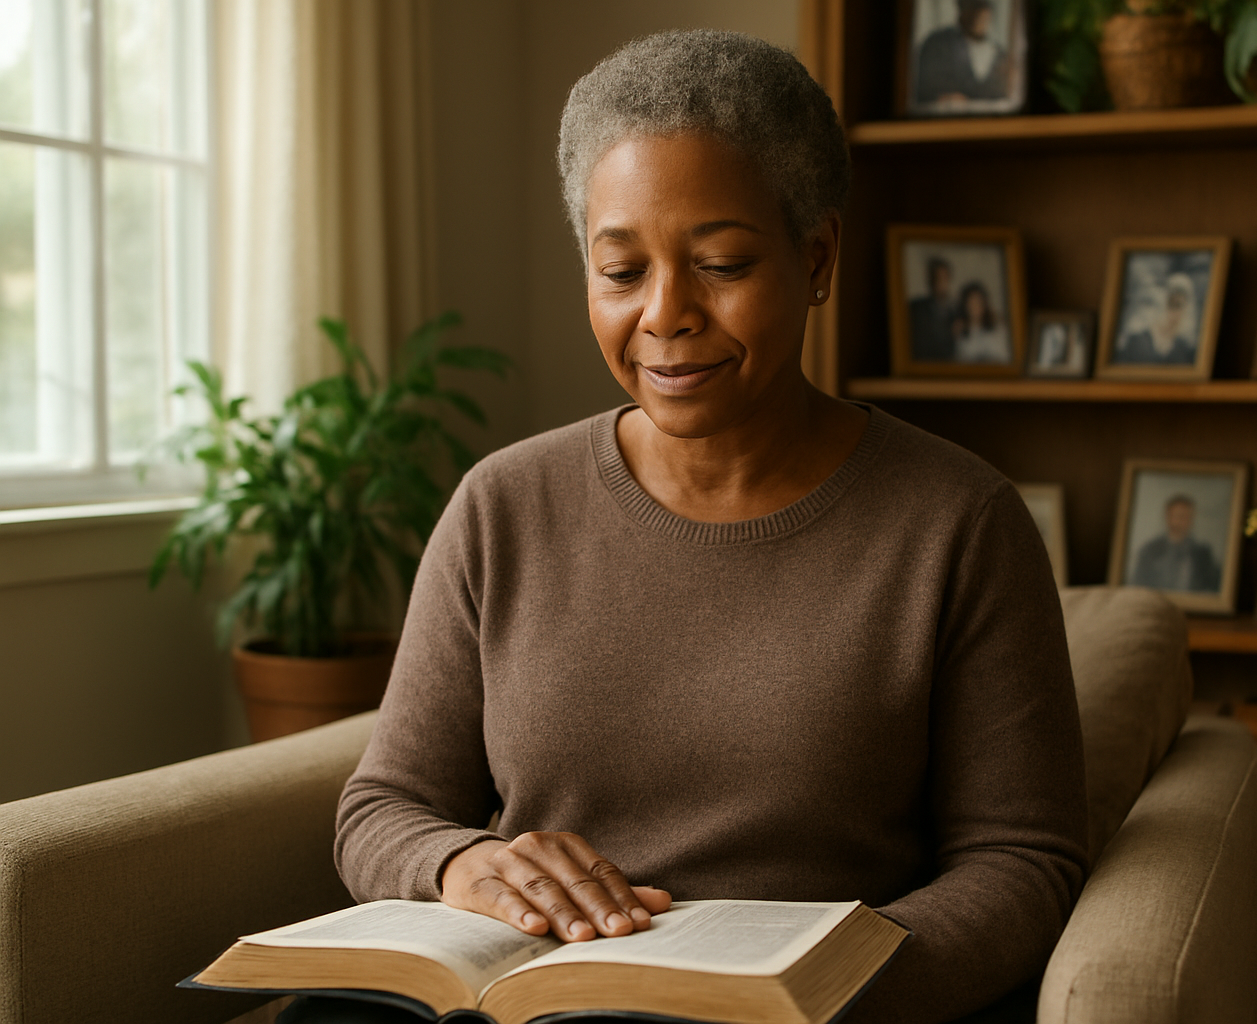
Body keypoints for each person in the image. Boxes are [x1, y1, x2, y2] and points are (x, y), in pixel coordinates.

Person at [314, 30, 1088, 1024]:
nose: (666, 314)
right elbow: (381, 807)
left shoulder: (959, 522)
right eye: (621, 269)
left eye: (720, 263)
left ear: (815, 259)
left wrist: (832, 988)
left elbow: (1023, 862)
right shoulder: (502, 505)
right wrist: (460, 862)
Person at [913, 0, 1011, 106]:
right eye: (971, 6)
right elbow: (921, 90)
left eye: (982, 6)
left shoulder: (999, 54)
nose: (978, 12)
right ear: (961, 8)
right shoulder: (937, 44)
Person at [1130, 494, 1223, 593]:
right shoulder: (1150, 551)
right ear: (1167, 517)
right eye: (1177, 516)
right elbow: (1138, 585)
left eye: (1186, 517)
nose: (1180, 521)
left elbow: (1214, 587)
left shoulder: (1203, 553)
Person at [1117, 272, 1198, 365]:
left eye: (1179, 306)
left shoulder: (1184, 348)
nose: (1175, 313)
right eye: (1171, 304)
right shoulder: (1136, 341)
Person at [907, 257, 958, 361]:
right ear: (930, 280)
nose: (940, 283)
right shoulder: (917, 308)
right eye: (936, 278)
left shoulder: (955, 312)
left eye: (944, 278)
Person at [952, 281, 1011, 364]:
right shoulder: (961, 332)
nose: (974, 307)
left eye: (978, 302)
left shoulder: (997, 328)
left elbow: (1005, 358)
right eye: (971, 303)